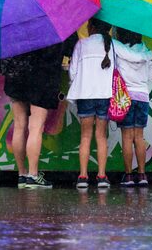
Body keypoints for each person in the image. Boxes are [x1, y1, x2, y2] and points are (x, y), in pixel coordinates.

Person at [0, 33, 77, 189]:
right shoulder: (56, 23)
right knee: (36, 128)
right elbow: (70, 48)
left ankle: (22, 175)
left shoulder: (18, 21)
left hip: (16, 77)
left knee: (19, 126)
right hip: (43, 79)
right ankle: (33, 176)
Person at [67, 18, 115, 189]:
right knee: (101, 136)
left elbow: (72, 72)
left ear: (92, 27)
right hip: (104, 95)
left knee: (85, 136)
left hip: (85, 95)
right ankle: (102, 176)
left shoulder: (82, 44)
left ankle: (83, 177)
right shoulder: (112, 46)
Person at [113, 27, 152, 187]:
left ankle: (129, 176)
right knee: (139, 137)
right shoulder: (147, 54)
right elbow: (151, 78)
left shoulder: (119, 51)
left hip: (126, 97)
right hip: (142, 97)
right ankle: (142, 175)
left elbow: (115, 72)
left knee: (127, 137)